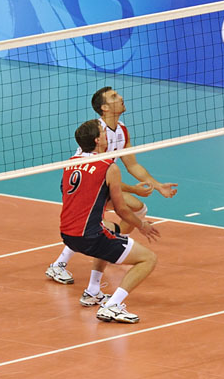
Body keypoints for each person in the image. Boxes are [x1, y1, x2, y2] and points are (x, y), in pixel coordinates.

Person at [46, 86, 177, 287]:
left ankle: (114, 250)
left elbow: (132, 164)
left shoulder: (122, 130)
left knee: (138, 208)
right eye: (114, 97)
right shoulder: (95, 133)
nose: (121, 97)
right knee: (96, 221)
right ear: (105, 108)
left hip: (101, 184)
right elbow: (95, 173)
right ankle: (60, 265)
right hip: (84, 185)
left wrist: (158, 186)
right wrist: (133, 189)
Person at [59, 119, 162, 324]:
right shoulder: (109, 166)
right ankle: (112, 305)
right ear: (98, 140)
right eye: (103, 133)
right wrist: (142, 225)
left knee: (110, 230)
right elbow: (122, 209)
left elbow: (67, 192)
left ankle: (93, 291)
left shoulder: (72, 161)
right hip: (90, 236)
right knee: (148, 259)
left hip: (67, 234)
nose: (107, 136)